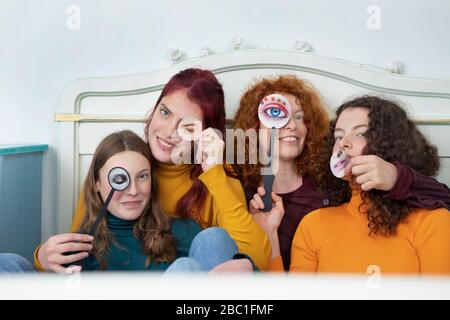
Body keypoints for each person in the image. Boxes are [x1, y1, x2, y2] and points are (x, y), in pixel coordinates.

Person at [32, 68, 269, 272]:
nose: (168, 132)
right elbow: (80, 254)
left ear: (206, 134)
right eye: (165, 113)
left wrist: (216, 175)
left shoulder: (217, 177)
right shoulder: (119, 164)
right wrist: (43, 256)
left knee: (211, 242)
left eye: (187, 126)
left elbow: (256, 262)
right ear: (154, 110)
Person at [233, 75, 450, 270]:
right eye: (338, 136)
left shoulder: (432, 222)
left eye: (360, 133)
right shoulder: (313, 223)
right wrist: (269, 236)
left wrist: (395, 177)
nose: (344, 143)